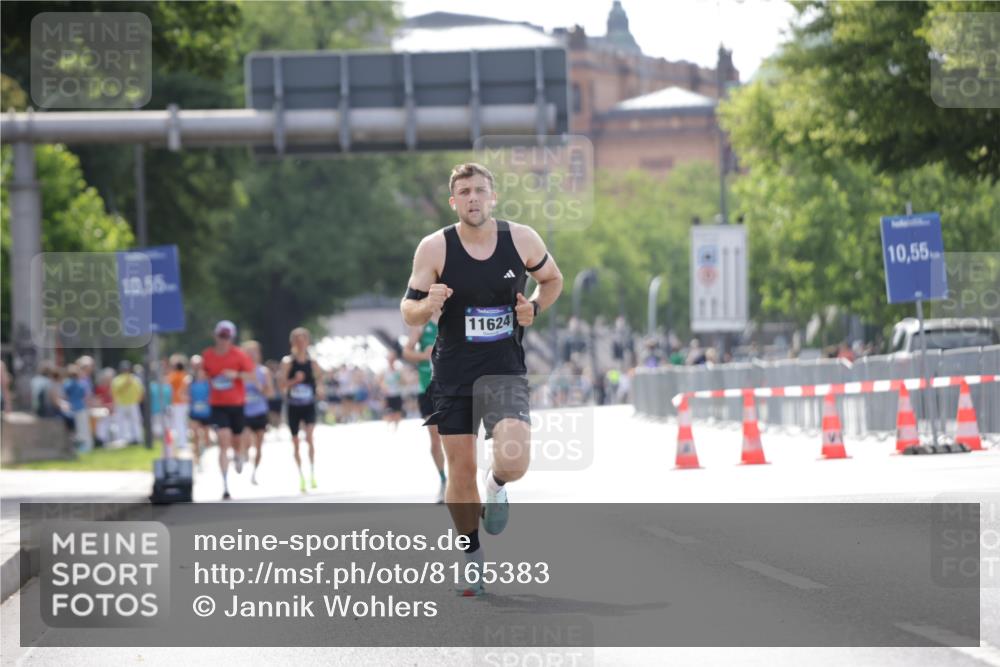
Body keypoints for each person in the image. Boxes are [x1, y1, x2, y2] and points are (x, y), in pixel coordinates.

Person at [400, 162, 563, 596]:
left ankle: (497, 486)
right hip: (453, 373)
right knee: (461, 468)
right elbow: (409, 310)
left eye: (479, 190)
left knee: (513, 461)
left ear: (493, 197)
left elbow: (551, 279)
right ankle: (471, 556)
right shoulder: (435, 248)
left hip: (504, 368)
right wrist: (428, 303)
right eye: (465, 192)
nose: (473, 198)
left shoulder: (521, 239)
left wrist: (534, 306)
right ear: (454, 202)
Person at [201, 320, 255, 500]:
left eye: (227, 336)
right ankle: (225, 484)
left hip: (237, 404)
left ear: (231, 338)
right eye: (221, 336)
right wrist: (203, 376)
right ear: (215, 336)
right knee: (223, 441)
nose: (223, 340)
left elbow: (251, 375)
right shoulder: (208, 355)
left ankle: (238, 453)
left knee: (236, 440)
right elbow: (203, 373)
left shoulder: (239, 354)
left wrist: (236, 374)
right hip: (217, 405)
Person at [403, 310, 447, 503]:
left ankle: (460, 479)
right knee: (436, 439)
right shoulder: (422, 323)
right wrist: (423, 355)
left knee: (458, 437)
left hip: (451, 388)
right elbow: (406, 351)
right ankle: (444, 480)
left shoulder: (454, 317)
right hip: (427, 389)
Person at [280, 327, 325, 493]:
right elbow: (281, 385)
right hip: (293, 406)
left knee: (310, 437)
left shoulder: (312, 363)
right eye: (297, 340)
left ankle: (312, 472)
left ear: (307, 342)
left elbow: (320, 379)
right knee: (295, 442)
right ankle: (301, 476)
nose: (300, 343)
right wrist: (294, 381)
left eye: (303, 340)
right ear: (292, 343)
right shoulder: (287, 362)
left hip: (308, 405)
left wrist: (320, 389)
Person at [241, 340, 274, 486]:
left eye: (254, 352)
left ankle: (254, 473)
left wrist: (258, 385)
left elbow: (270, 393)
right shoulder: (240, 372)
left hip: (260, 411)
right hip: (244, 412)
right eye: (249, 352)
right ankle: (243, 454)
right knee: (246, 439)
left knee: (259, 446)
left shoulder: (263, 371)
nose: (252, 355)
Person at [187, 356, 212, 470]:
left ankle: (203, 454)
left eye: (198, 364)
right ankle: (197, 458)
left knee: (207, 438)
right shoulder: (189, 380)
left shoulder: (208, 379)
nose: (196, 367)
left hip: (206, 413)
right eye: (194, 364)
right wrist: (188, 399)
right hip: (194, 412)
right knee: (195, 436)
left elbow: (213, 393)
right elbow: (183, 393)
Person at [110, 360, 144, 445]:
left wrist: (138, 400)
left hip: (131, 403)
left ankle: (136, 438)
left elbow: (140, 391)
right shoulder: (118, 379)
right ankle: (124, 439)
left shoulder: (134, 379)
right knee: (122, 422)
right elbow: (116, 390)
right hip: (122, 403)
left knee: (134, 421)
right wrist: (126, 384)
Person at [62, 364, 93, 452]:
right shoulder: (81, 384)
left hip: (71, 409)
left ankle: (78, 447)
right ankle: (86, 447)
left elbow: (65, 396)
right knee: (83, 429)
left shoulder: (67, 384)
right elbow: (85, 396)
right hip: (81, 408)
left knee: (76, 430)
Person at [166, 354, 191, 451]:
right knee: (183, 422)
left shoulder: (174, 376)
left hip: (177, 402)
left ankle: (181, 443)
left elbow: (167, 382)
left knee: (178, 423)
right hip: (185, 402)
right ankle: (183, 441)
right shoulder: (185, 375)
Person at [381, 349, 405, 430]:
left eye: (393, 359)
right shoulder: (384, 371)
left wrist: (401, 380)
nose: (391, 360)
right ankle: (388, 428)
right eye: (390, 358)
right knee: (387, 413)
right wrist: (384, 387)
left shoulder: (398, 371)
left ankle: (395, 429)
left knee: (398, 413)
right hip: (388, 395)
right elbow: (380, 382)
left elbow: (403, 382)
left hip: (397, 394)